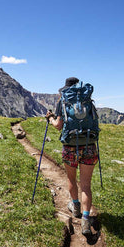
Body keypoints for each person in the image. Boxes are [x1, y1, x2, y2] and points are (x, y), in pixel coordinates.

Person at [46, 77, 99, 236]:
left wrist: (50, 118)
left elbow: (58, 125)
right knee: (86, 185)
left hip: (70, 147)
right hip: (89, 146)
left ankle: (75, 207)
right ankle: (85, 220)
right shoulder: (87, 99)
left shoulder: (63, 100)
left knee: (71, 179)